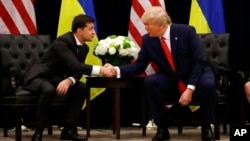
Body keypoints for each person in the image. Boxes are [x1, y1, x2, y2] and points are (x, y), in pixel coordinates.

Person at [104, 6, 216, 141]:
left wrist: (190, 88)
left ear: (161, 25)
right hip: (172, 76)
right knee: (151, 82)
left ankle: (206, 127)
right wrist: (116, 70)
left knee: (208, 85)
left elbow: (199, 62)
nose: (145, 28)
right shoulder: (148, 40)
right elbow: (139, 65)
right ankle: (162, 128)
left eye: (147, 25)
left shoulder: (186, 32)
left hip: (197, 72)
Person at [23, 14, 111, 141]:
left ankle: (69, 130)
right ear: (79, 31)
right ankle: (38, 131)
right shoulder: (62, 42)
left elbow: (78, 70)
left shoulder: (84, 48)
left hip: (59, 79)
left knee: (82, 87)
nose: (94, 32)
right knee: (48, 89)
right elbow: (75, 65)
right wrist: (101, 70)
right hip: (41, 77)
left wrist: (69, 80)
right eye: (91, 29)